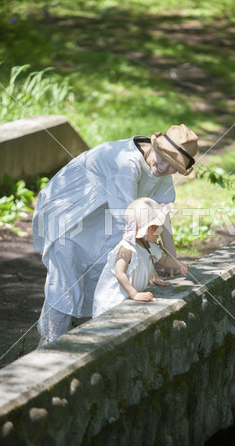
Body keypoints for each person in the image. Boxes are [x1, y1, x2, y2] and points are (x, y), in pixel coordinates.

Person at [34, 124, 198, 345]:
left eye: (175, 166)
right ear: (155, 147)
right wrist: (144, 260)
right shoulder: (125, 163)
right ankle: (50, 344)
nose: (166, 168)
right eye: (166, 159)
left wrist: (172, 256)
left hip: (101, 216)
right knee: (66, 278)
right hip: (69, 212)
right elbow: (127, 218)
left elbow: (162, 214)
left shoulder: (161, 168)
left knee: (104, 269)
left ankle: (86, 342)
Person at [93, 197, 189, 318]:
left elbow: (164, 260)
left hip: (128, 299)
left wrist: (179, 265)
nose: (159, 230)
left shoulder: (150, 246)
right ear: (143, 231)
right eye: (154, 227)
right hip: (112, 301)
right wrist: (134, 294)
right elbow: (119, 273)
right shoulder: (127, 248)